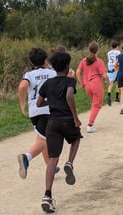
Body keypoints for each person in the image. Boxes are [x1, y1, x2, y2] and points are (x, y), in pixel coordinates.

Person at [37, 51, 82, 213]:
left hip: (52, 123)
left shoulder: (48, 83)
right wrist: (76, 118)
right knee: (76, 139)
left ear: (54, 67)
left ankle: (47, 196)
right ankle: (69, 163)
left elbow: (39, 102)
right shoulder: (70, 81)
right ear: (67, 66)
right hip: (67, 120)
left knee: (52, 160)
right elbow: (70, 96)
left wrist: (53, 101)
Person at [17, 47, 60, 179]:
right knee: (43, 140)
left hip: (34, 112)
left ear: (32, 63)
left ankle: (50, 166)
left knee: (41, 137)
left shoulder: (29, 75)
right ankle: (26, 158)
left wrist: (23, 104)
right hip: (47, 110)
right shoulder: (52, 73)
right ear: (45, 60)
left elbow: (23, 86)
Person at [76, 41, 111, 133]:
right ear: (97, 50)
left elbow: (78, 72)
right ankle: (90, 125)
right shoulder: (99, 61)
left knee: (94, 103)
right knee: (97, 105)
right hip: (96, 85)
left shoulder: (84, 61)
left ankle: (91, 122)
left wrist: (81, 83)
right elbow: (104, 75)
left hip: (87, 85)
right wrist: (109, 82)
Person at [106, 41, 121, 106]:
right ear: (117, 46)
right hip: (116, 67)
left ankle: (109, 95)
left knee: (110, 83)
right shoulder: (118, 52)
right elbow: (118, 60)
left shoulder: (108, 53)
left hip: (110, 67)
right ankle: (117, 97)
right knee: (118, 82)